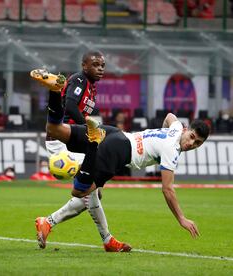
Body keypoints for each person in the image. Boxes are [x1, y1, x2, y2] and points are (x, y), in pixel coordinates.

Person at [34, 78, 209, 251]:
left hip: (115, 133)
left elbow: (170, 117)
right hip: (119, 152)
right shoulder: (172, 151)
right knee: (80, 191)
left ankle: (55, 90)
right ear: (187, 130)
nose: (191, 144)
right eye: (192, 137)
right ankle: (92, 148)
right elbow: (168, 189)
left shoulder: (177, 128)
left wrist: (163, 133)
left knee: (54, 130)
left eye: (197, 144)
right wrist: (181, 219)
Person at [31, 52, 130, 252]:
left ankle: (50, 223)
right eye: (95, 64)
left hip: (74, 141)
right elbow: (70, 105)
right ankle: (105, 239)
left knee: (93, 192)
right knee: (89, 191)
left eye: (102, 65)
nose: (100, 68)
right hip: (64, 140)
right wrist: (87, 126)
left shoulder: (91, 87)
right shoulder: (79, 79)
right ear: (84, 66)